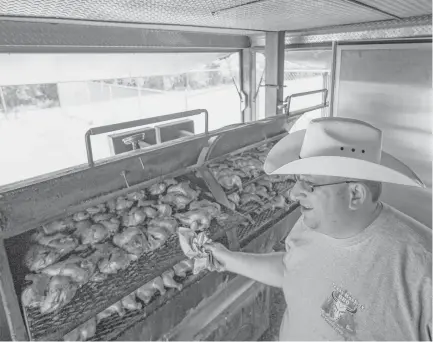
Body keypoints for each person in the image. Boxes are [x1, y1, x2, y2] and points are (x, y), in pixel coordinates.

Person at [204, 117, 432, 341]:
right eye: (298, 179)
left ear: (355, 194)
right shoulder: (310, 223)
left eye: (310, 184)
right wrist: (228, 259)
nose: (293, 194)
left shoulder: (422, 274)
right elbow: (292, 269)